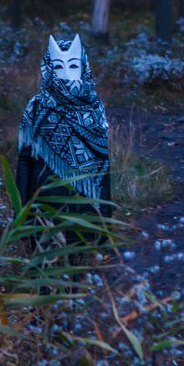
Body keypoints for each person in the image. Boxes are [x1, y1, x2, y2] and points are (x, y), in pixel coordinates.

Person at [15, 34, 112, 233]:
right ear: (49, 68)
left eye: (73, 66)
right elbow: (24, 161)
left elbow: (103, 166)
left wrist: (106, 216)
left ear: (83, 66)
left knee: (85, 261)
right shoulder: (37, 107)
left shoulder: (94, 108)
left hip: (87, 211)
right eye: (59, 66)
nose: (66, 73)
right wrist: (20, 212)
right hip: (45, 209)